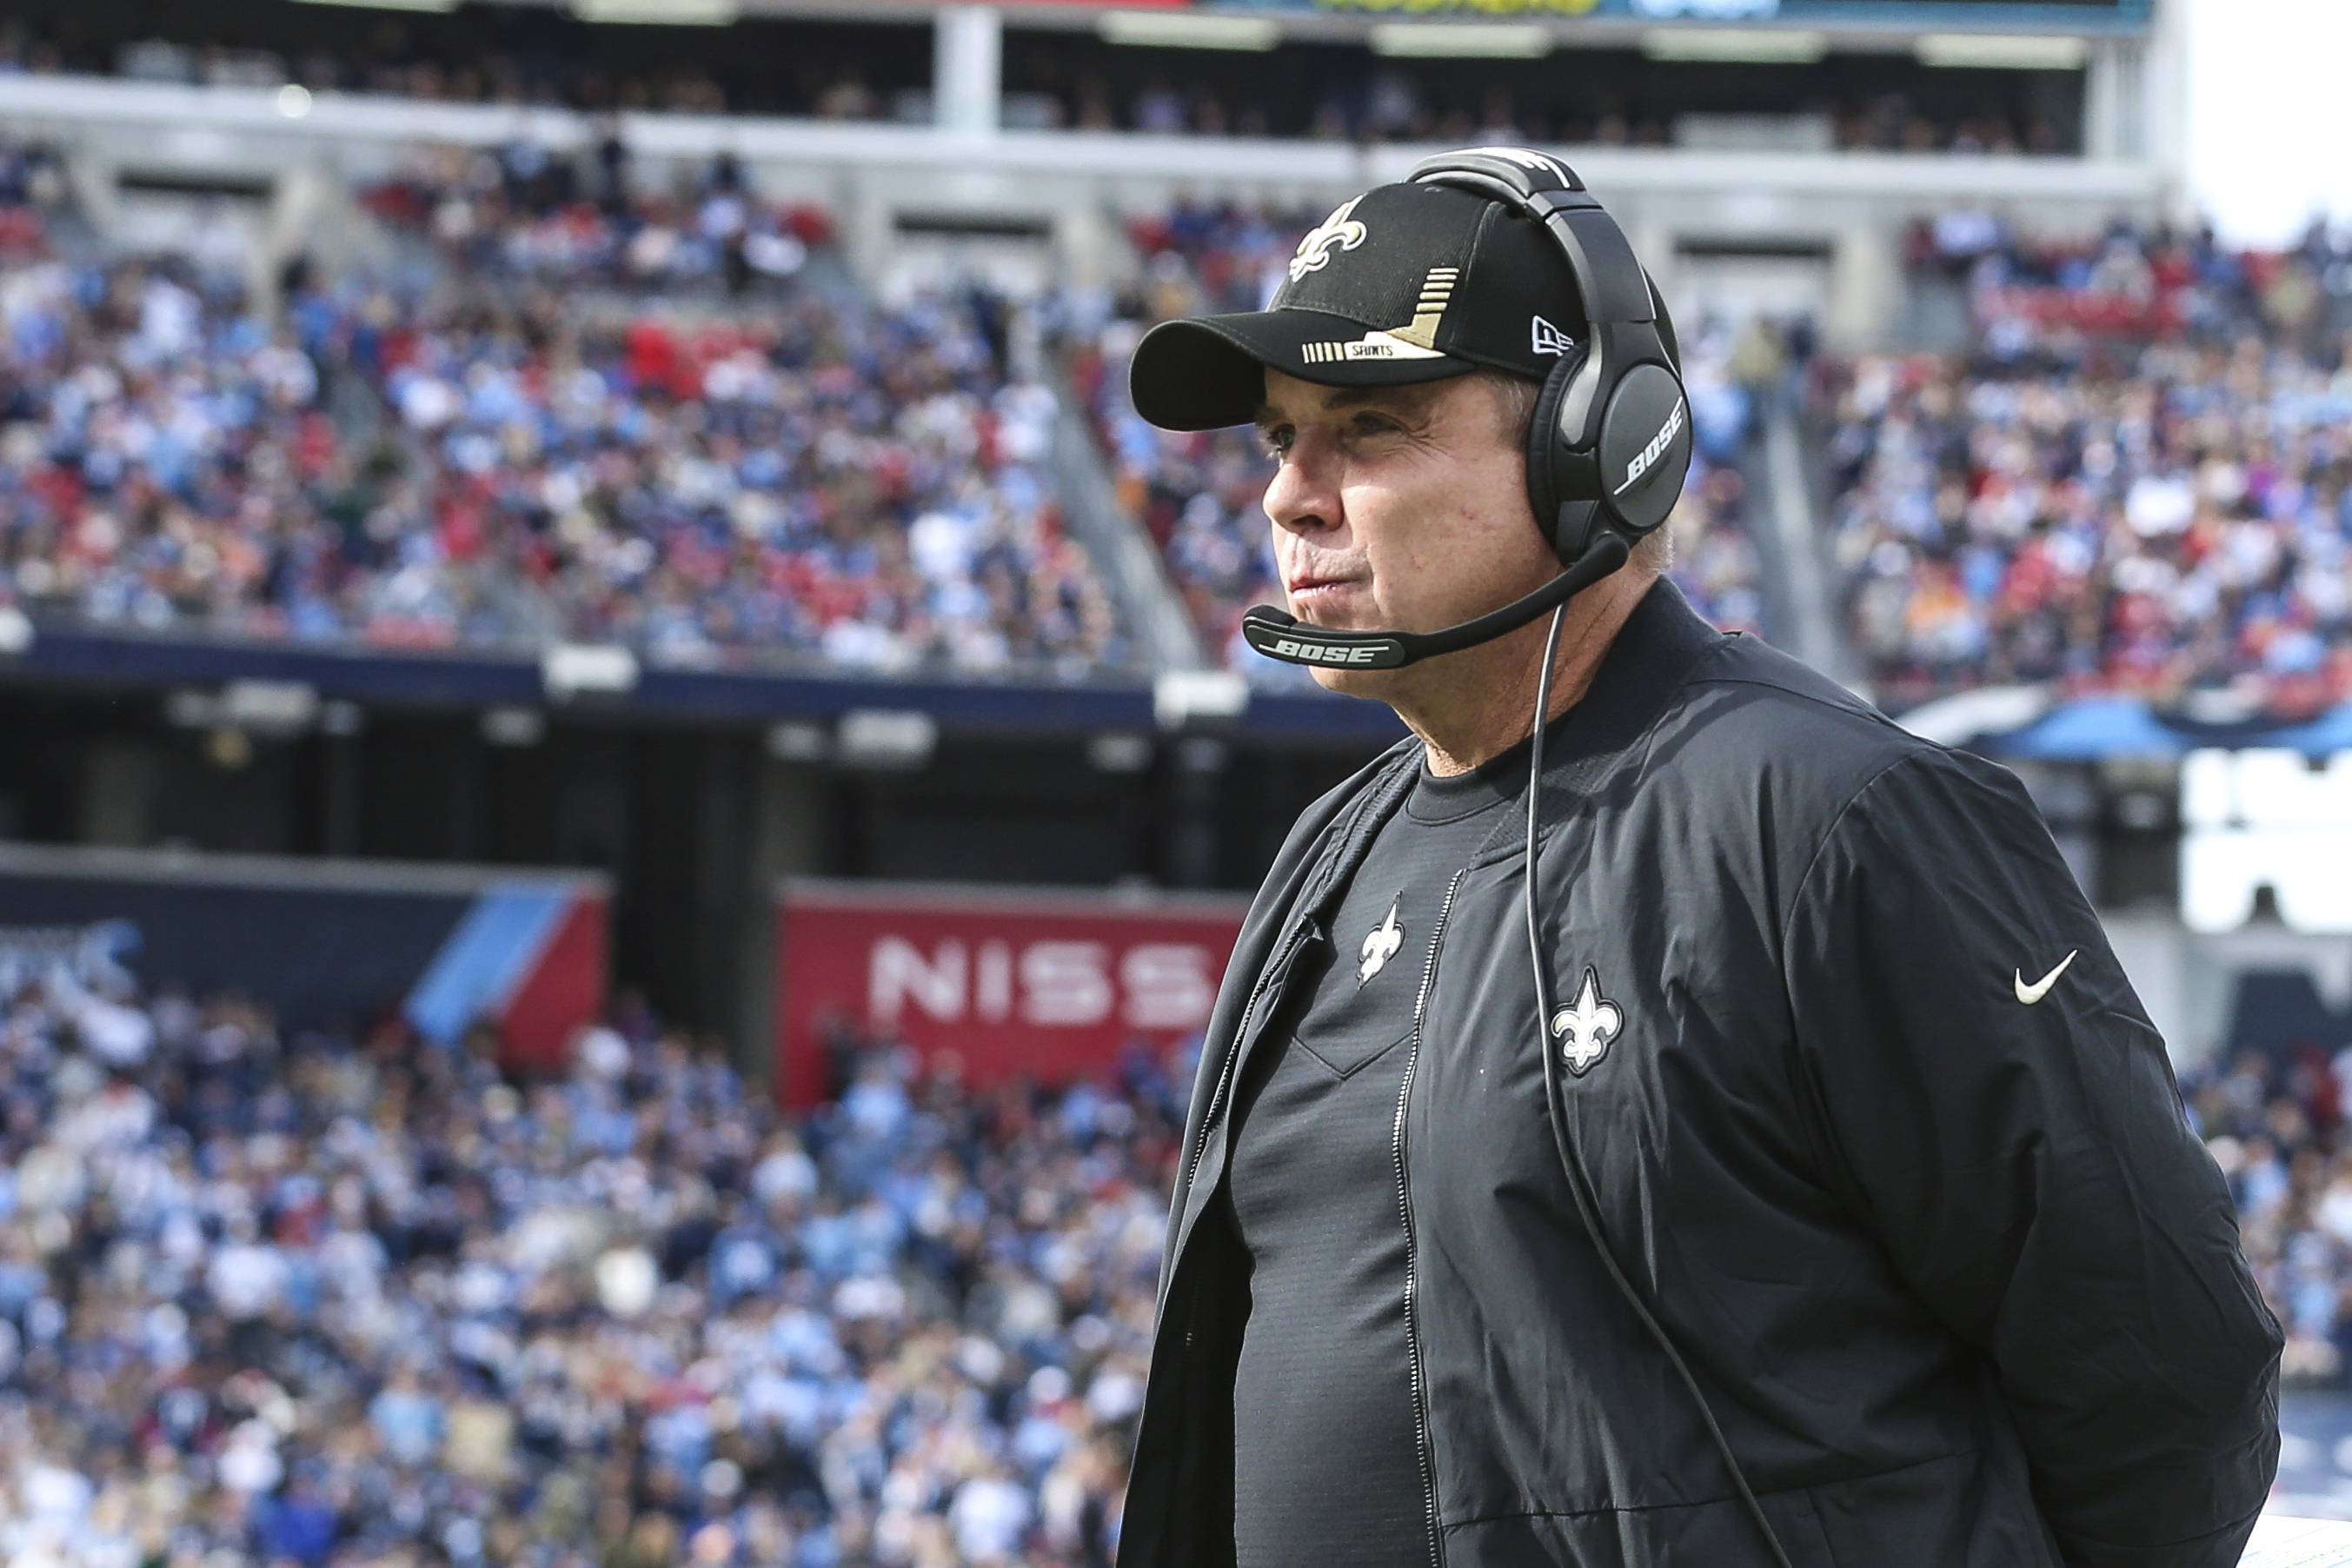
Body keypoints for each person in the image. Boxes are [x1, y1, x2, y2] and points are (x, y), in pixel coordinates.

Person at [1114, 156, 2281, 1568]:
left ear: (1599, 448)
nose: (1291, 498)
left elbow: (2167, 1371)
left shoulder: (1840, 823)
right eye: (1277, 441)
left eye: (1367, 426)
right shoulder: (1324, 857)